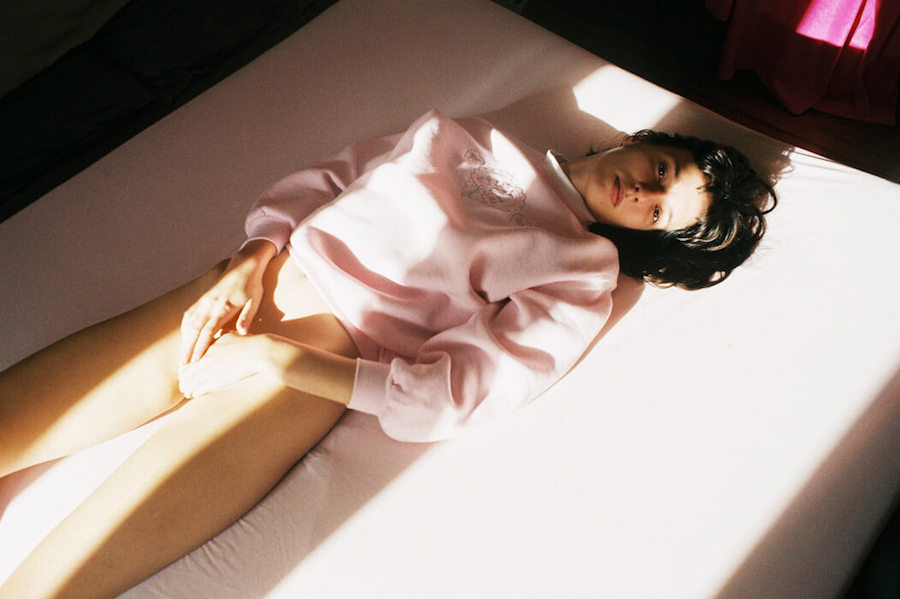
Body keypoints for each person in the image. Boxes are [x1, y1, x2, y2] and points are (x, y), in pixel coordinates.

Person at [0, 109, 775, 598]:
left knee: (59, 583)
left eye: (659, 213)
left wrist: (278, 363)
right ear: (649, 143)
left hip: (309, 370)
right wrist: (246, 261)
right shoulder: (469, 133)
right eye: (663, 173)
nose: (643, 192)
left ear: (648, 238)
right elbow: (328, 180)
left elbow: (464, 391)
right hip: (252, 286)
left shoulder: (582, 270)